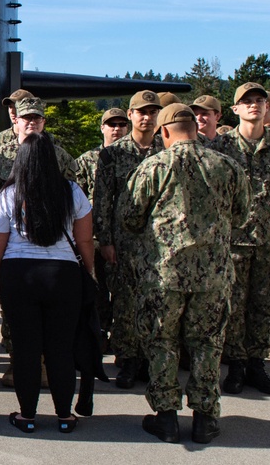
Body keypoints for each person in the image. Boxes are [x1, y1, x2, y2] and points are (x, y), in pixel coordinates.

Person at [119, 104, 249, 444]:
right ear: (196, 128)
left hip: (164, 276)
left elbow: (130, 218)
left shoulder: (153, 167)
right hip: (213, 276)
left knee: (162, 342)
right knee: (208, 344)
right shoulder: (228, 166)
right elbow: (242, 214)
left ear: (164, 132)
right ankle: (205, 419)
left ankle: (166, 418)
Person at [0, 133, 95, 435]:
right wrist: (88, 270)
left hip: (19, 274)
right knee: (61, 348)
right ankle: (64, 416)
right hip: (62, 275)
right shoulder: (72, 191)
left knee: (25, 349)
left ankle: (27, 415)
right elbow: (84, 238)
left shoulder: (8, 194)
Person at [210, 82, 270, 396]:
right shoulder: (220, 147)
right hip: (231, 241)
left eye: (259, 100)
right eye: (246, 101)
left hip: (269, 240)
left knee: (264, 305)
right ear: (235, 109)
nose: (254, 105)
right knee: (233, 305)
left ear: (266, 107)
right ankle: (235, 365)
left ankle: (256, 363)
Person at [92, 90, 162, 389]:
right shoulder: (113, 154)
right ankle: (129, 359)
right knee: (125, 303)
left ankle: (152, 360)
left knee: (157, 303)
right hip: (124, 243)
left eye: (152, 112)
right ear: (131, 115)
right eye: (141, 112)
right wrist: (105, 240)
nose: (146, 117)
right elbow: (103, 199)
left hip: (161, 243)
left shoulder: (166, 150)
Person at [75, 107, 129, 345]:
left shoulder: (134, 157)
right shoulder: (87, 160)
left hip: (126, 236)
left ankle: (123, 337)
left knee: (124, 293)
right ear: (102, 128)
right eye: (112, 125)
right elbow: (77, 196)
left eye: (121, 124)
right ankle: (99, 334)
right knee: (96, 291)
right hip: (94, 237)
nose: (117, 129)